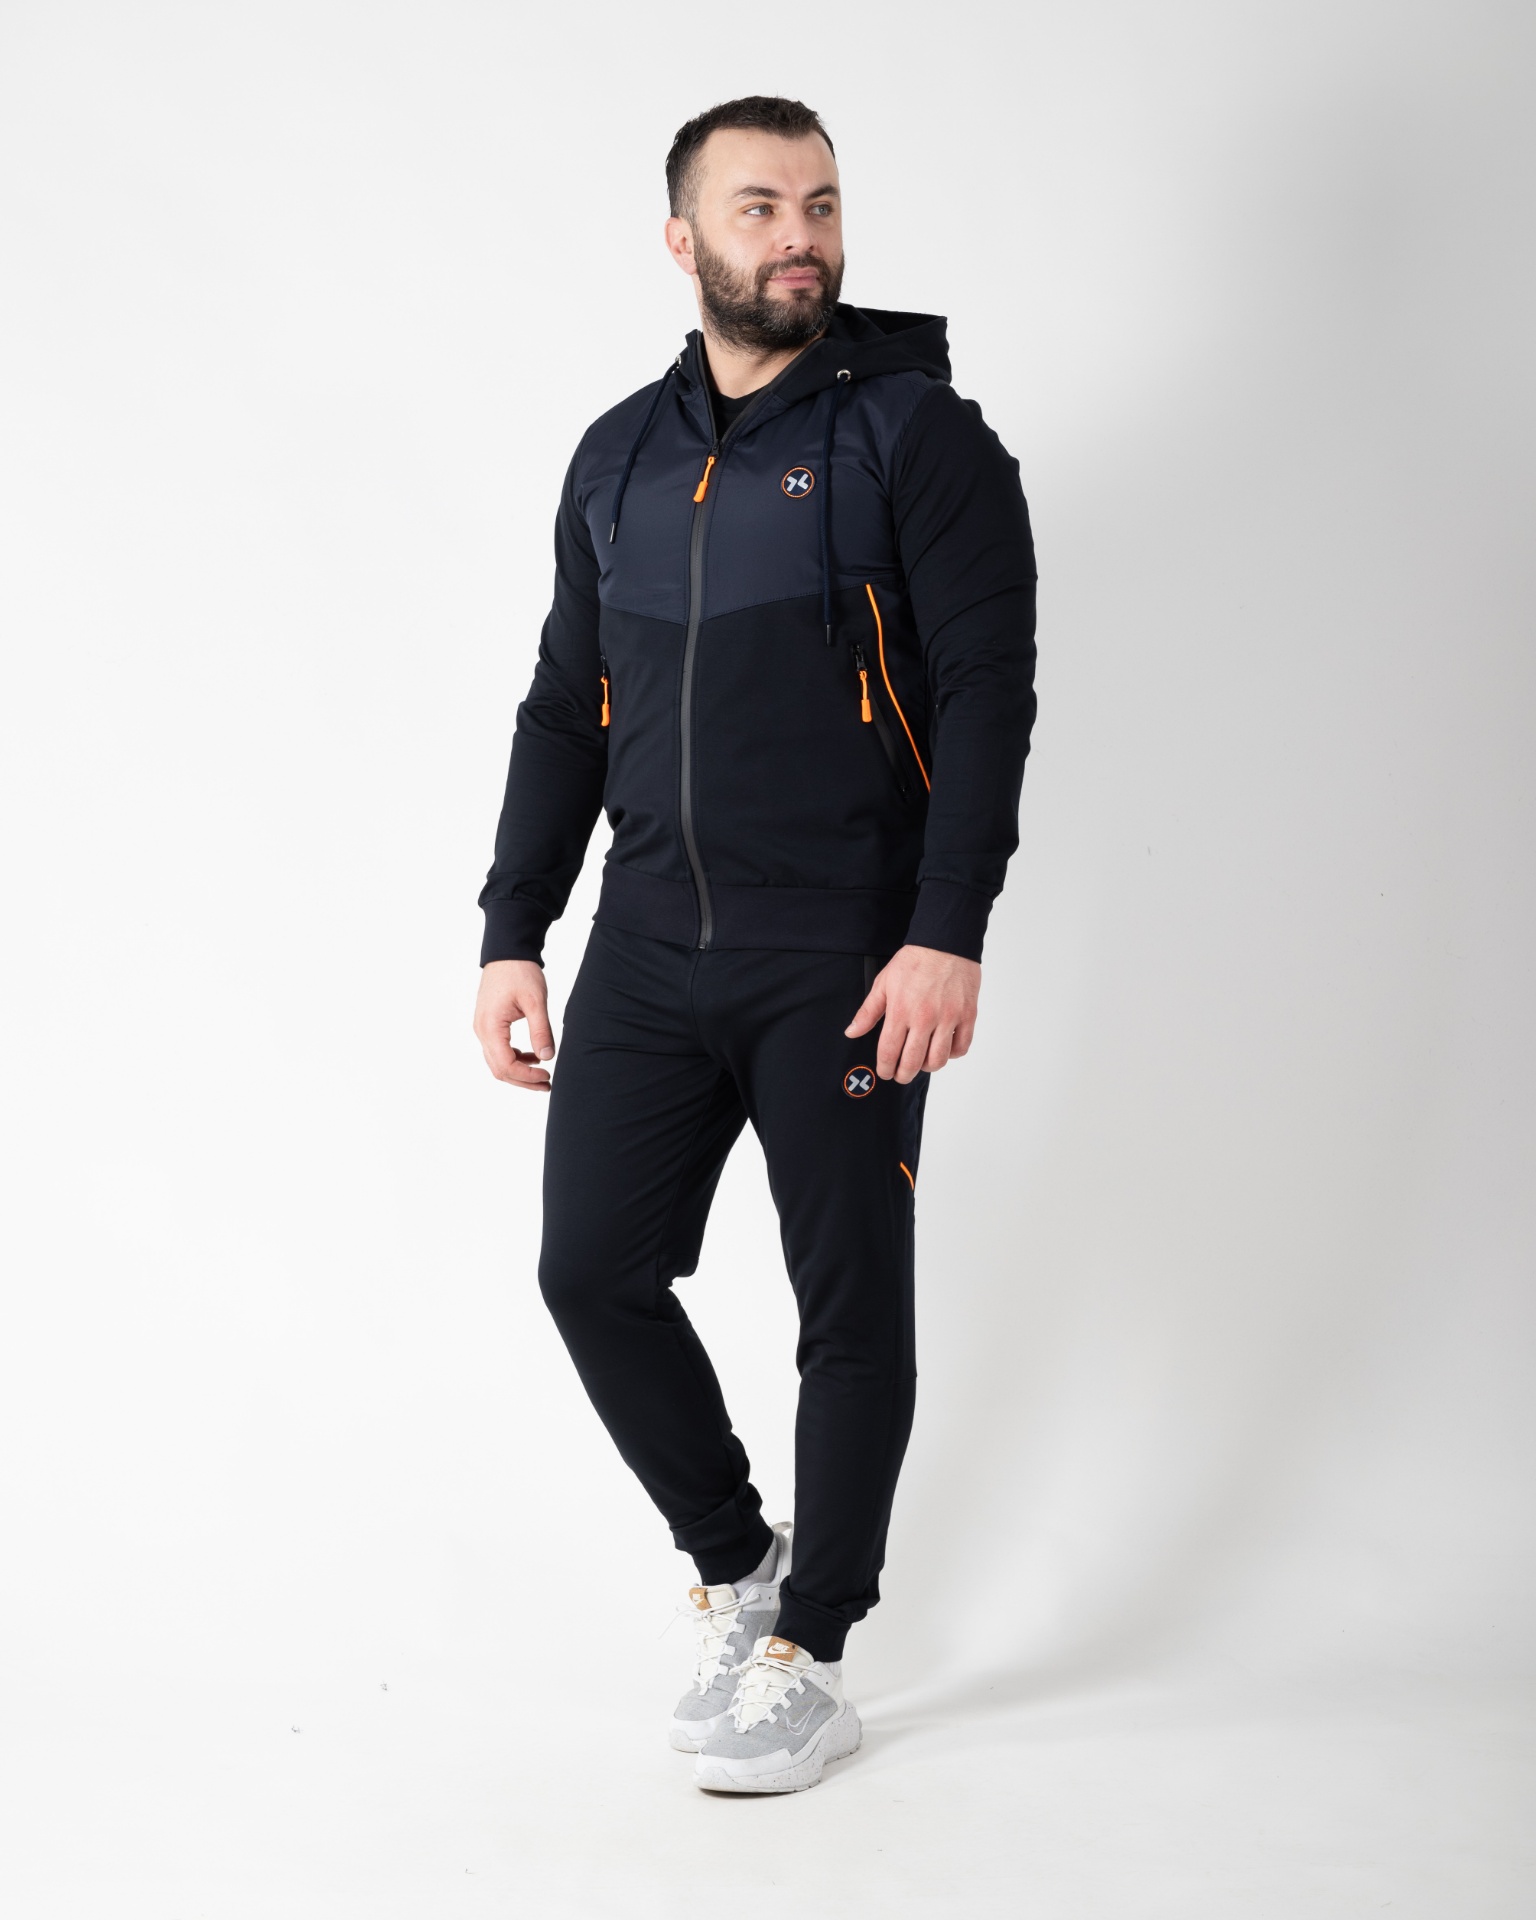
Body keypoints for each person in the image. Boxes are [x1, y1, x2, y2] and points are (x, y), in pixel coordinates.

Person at [473, 95, 1037, 1793]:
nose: (801, 234)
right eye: (761, 206)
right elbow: (565, 705)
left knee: (846, 1303)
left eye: (823, 203)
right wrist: (515, 926)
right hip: (648, 942)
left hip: (844, 949)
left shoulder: (918, 438)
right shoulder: (618, 457)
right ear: (685, 240)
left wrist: (946, 933)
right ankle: (741, 1563)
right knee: (589, 1270)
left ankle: (817, 1651)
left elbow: (990, 697)